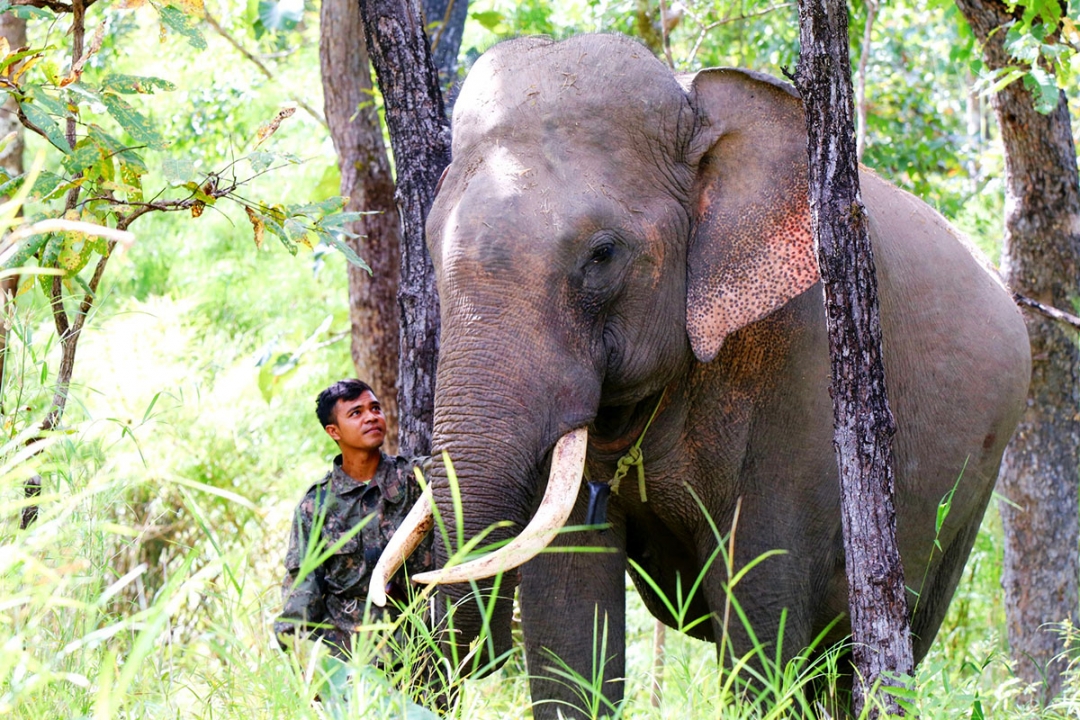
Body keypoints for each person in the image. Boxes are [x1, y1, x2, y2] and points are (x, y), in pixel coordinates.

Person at [274, 379, 433, 660]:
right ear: (333, 431)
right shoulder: (316, 506)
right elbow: (301, 596)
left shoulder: (416, 478)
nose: (371, 417)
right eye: (356, 413)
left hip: (419, 653)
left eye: (375, 408)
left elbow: (464, 469)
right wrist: (311, 670)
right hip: (350, 664)